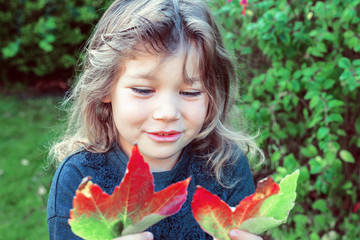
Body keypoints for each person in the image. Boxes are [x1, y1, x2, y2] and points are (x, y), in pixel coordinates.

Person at [47, 0, 265, 239]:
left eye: (190, 92)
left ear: (213, 95)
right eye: (143, 90)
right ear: (105, 88)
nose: (168, 112)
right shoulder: (80, 178)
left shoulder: (227, 169)